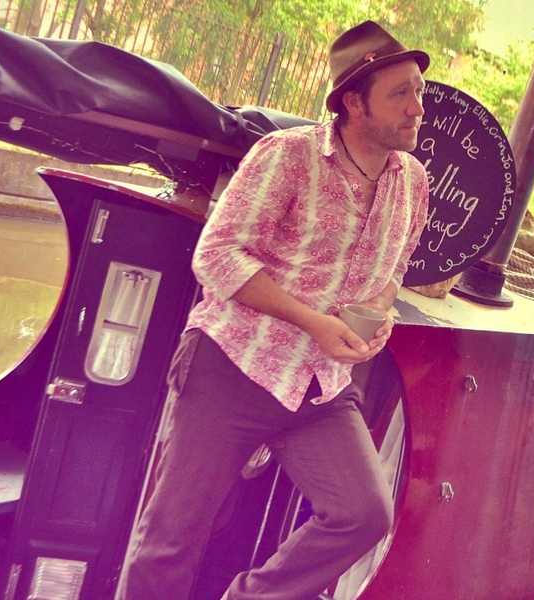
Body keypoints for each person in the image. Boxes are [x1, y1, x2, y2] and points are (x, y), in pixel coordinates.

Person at [116, 20, 430, 600]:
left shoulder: (413, 181)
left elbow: (396, 267)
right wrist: (313, 322)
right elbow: (216, 255)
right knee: (171, 540)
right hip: (233, 364)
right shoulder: (287, 155)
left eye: (419, 90)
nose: (417, 107)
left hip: (320, 386)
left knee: (363, 514)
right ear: (354, 103)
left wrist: (380, 313)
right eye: (400, 94)